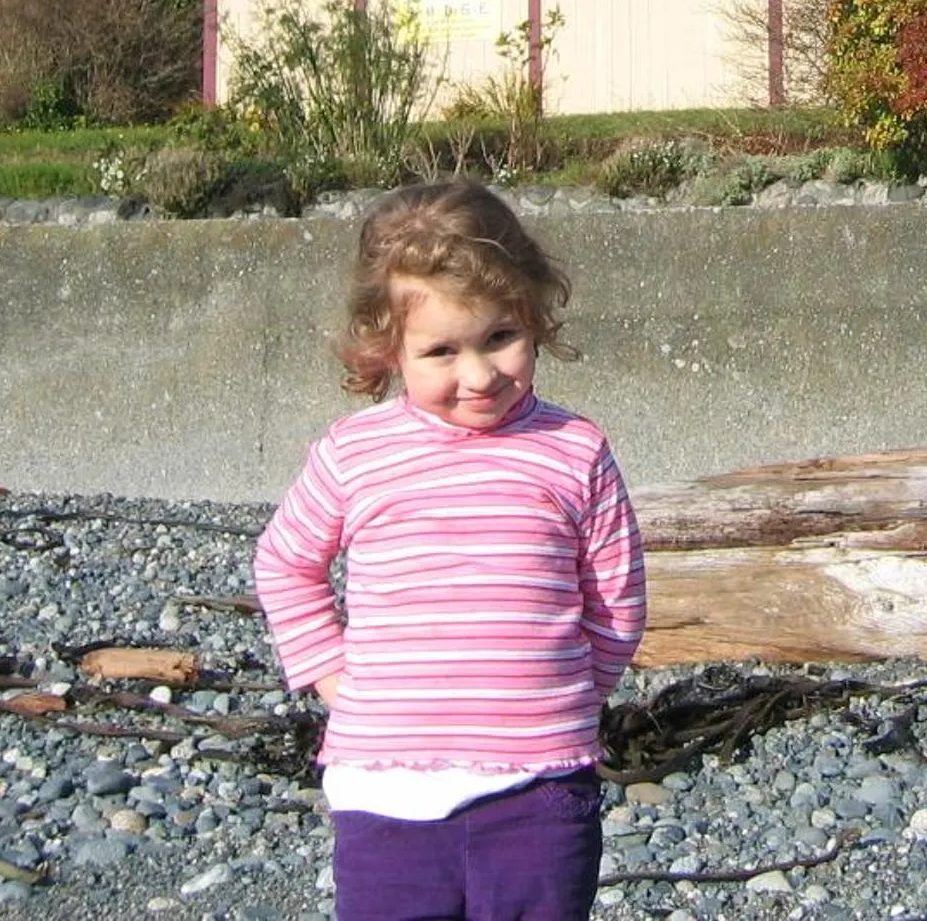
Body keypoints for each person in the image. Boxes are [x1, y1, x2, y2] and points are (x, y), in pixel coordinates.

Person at [256, 180, 648, 921]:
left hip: (540, 789)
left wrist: (565, 694)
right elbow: (286, 562)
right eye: (440, 351)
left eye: (501, 338)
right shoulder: (354, 452)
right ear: (387, 347)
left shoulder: (574, 450)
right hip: (384, 793)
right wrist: (332, 676)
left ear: (532, 314)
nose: (478, 375)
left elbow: (617, 599)